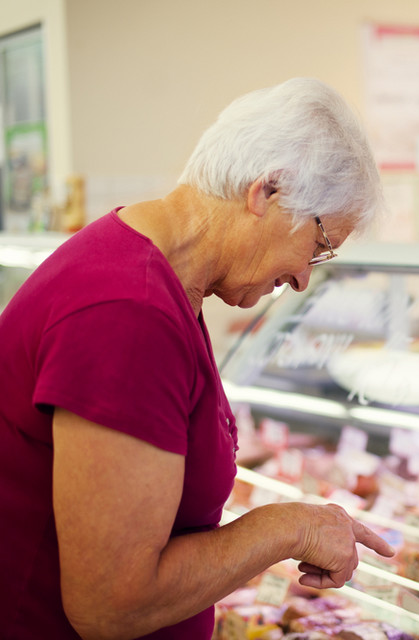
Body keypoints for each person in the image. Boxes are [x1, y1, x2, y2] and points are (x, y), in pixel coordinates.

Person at [0, 77, 394, 639]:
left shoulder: (153, 271)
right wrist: (290, 529)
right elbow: (111, 605)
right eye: (321, 243)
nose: (307, 277)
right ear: (268, 191)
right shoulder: (127, 311)